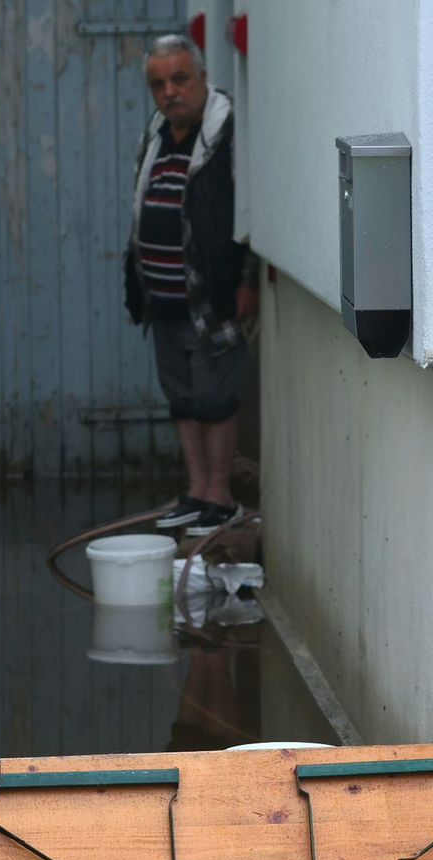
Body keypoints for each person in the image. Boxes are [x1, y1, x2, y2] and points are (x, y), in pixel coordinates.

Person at [124, 34, 258, 536]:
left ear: (202, 77)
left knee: (214, 397)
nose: (169, 92)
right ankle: (197, 490)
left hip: (211, 295)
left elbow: (247, 209)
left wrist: (246, 279)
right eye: (158, 84)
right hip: (164, 300)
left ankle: (221, 497)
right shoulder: (159, 133)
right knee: (181, 397)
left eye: (179, 79)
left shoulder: (226, 133)